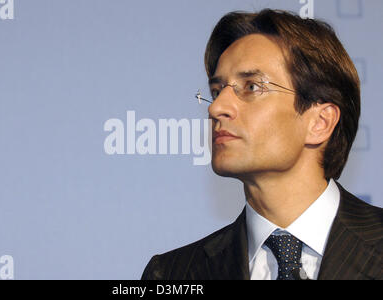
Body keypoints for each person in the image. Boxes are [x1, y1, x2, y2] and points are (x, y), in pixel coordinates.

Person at [141, 9, 382, 280]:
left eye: (252, 87)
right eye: (217, 91)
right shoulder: (172, 275)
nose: (217, 108)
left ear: (320, 122)